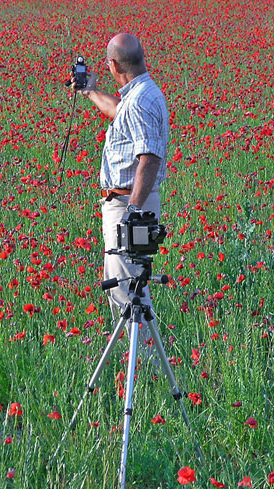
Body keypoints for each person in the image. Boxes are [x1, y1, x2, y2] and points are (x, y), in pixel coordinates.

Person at [75, 33, 169, 361]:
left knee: (128, 291)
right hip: (128, 203)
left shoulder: (141, 100)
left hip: (129, 204)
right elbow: (119, 112)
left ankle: (144, 369)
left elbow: (150, 157)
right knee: (125, 286)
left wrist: (132, 210)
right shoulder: (141, 95)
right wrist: (89, 91)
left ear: (114, 65)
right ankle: (139, 366)